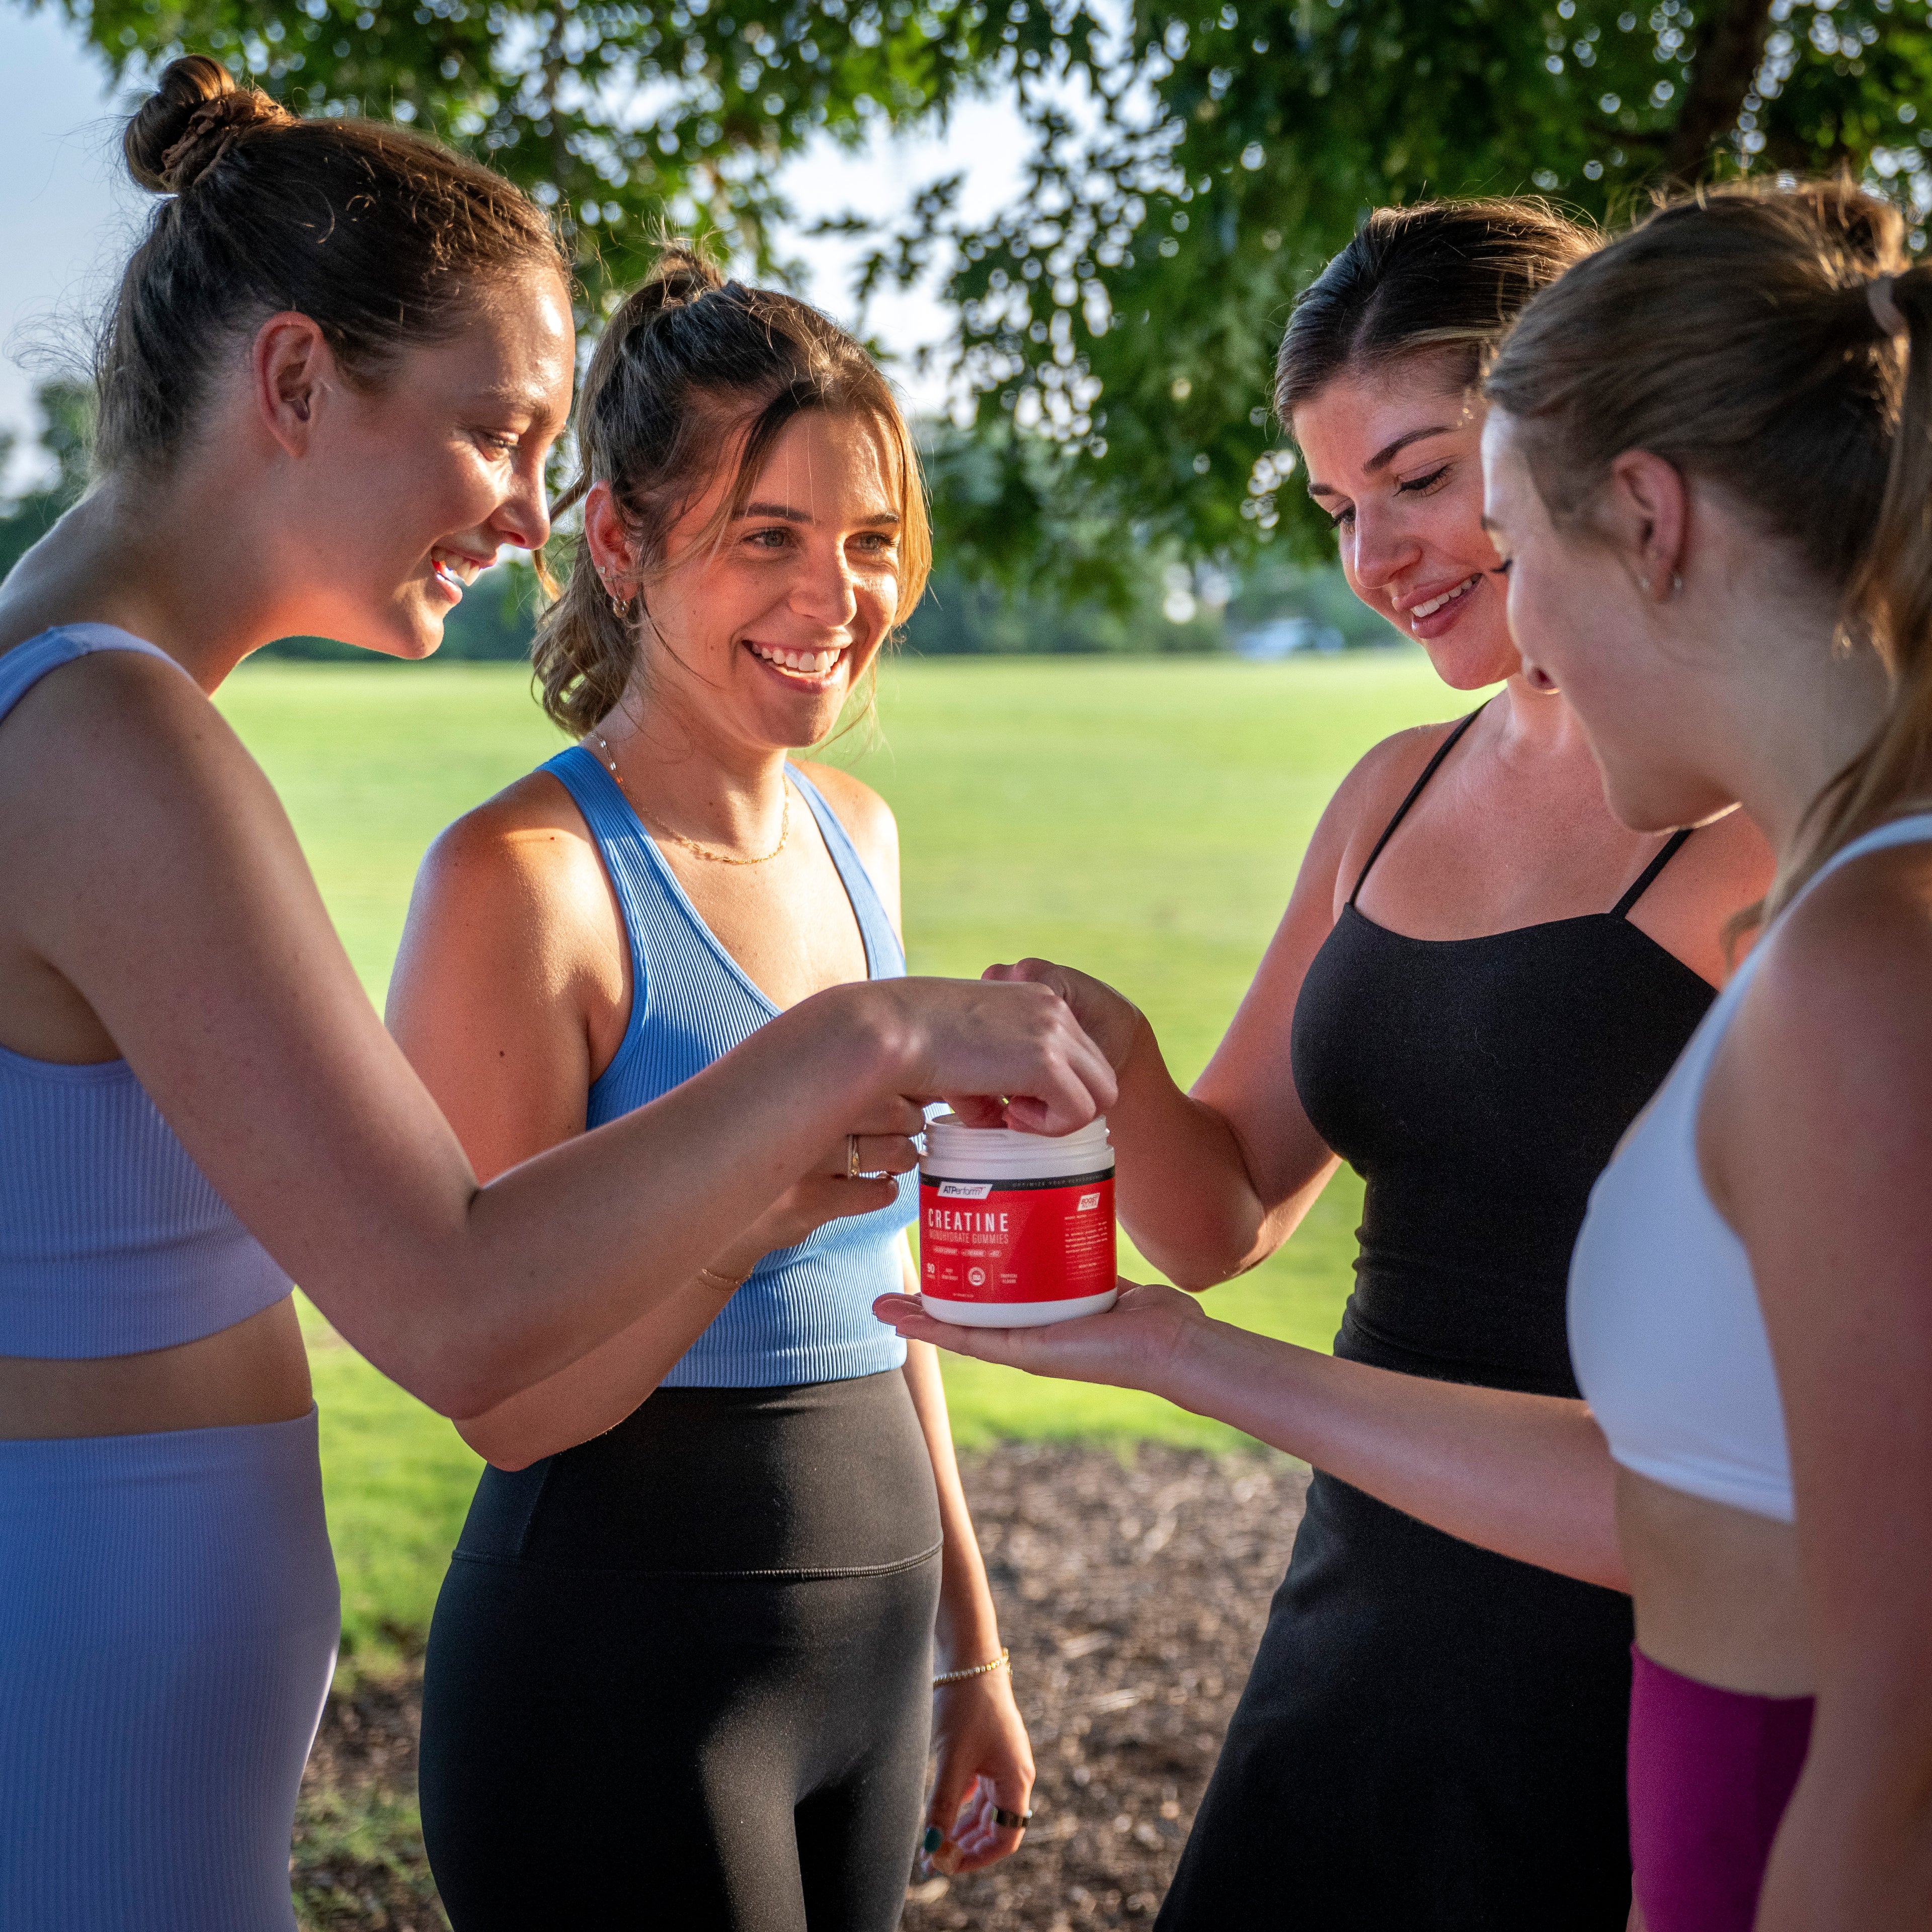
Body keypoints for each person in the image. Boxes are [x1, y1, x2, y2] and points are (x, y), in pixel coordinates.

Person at [0, 60, 1110, 1932]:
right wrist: (867, 1037)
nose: (531, 512)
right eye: (498, 432)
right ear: (292, 384)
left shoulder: (90, 696)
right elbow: (450, 1307)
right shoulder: (105, 728)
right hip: (87, 1681)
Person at [883, 179, 1932, 1932]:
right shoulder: (1401, 790)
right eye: (1335, 506)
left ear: (1621, 486)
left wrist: (1190, 1364)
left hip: (1631, 1679)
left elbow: (1820, 1585)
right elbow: (1222, 1213)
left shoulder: (1822, 884)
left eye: (1437, 480)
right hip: (1373, 1604)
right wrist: (1117, 1070)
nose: (1378, 559)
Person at [387, 248, 1032, 1931]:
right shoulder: (522, 882)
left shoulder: (859, 837)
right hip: (617, 1665)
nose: (840, 596)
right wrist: (755, 1203)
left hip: (876, 1652)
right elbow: (504, 1400)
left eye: (870, 542)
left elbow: (894, 1310)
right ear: (618, 541)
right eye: (771, 538)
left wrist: (973, 1642)